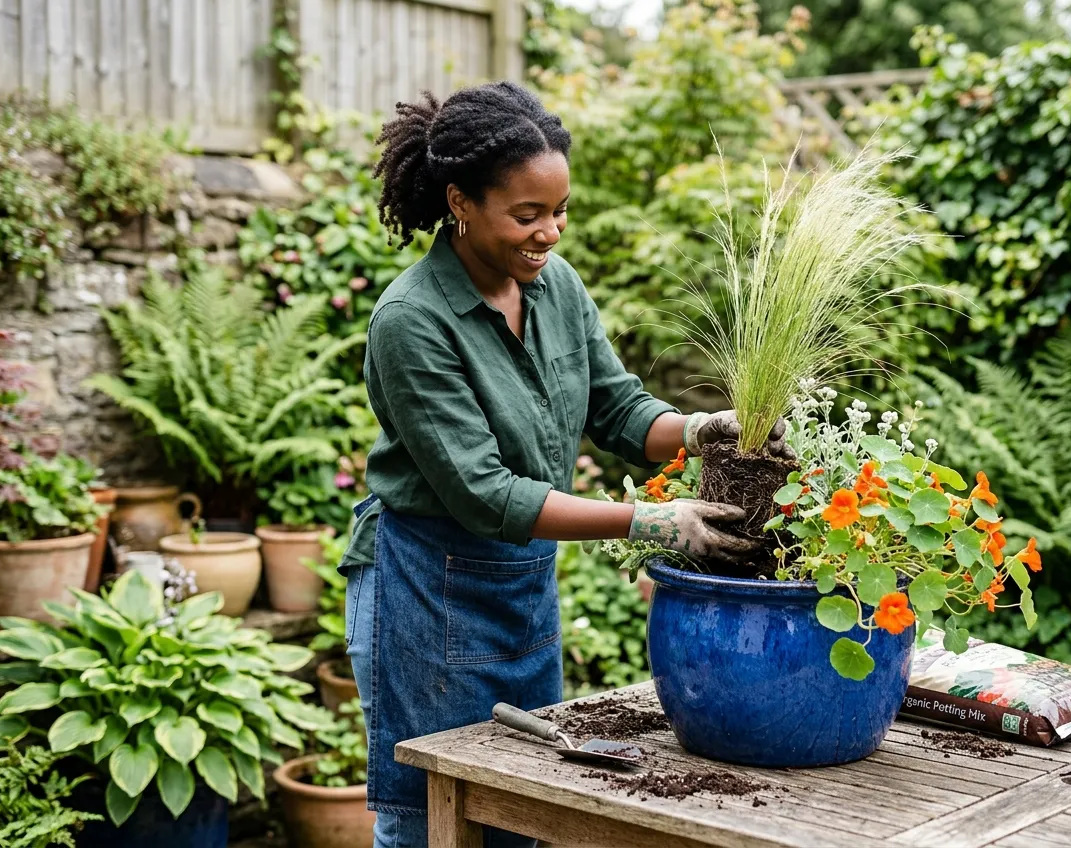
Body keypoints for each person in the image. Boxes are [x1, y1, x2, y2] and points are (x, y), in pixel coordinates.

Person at [339, 80, 793, 848]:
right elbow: (485, 494)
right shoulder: (412, 322)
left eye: (559, 212)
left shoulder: (555, 288)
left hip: (518, 583)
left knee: (526, 805)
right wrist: (652, 521)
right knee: (429, 818)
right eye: (527, 215)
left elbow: (617, 409)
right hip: (429, 589)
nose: (549, 233)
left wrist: (702, 428)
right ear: (460, 202)